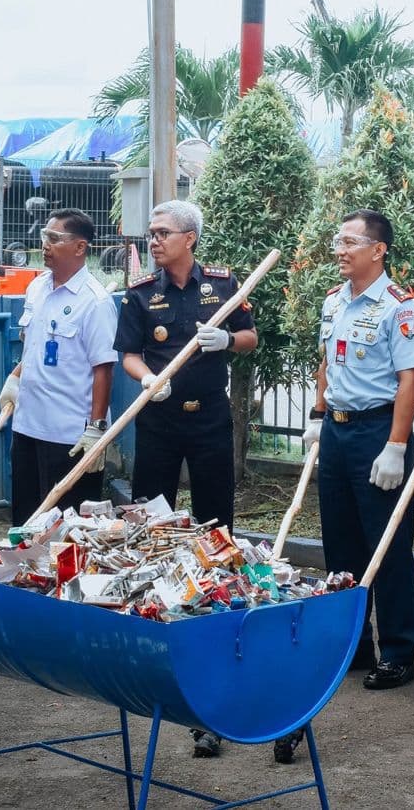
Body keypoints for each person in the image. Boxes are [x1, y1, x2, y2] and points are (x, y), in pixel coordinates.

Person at [115, 198, 258, 758]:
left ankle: (212, 611)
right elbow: (126, 353)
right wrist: (149, 378)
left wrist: (228, 341)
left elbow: (249, 337)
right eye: (150, 233)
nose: (153, 241)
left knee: (214, 520)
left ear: (190, 238)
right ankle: (151, 610)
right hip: (159, 420)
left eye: (163, 233)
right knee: (153, 518)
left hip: (210, 421)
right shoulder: (139, 291)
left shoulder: (224, 287)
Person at [306, 209, 414, 691]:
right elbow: (325, 361)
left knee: (388, 545)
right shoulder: (334, 301)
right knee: (341, 543)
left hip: (378, 433)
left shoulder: (400, 307)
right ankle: (353, 644)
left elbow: (410, 379)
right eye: (339, 240)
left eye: (350, 241)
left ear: (378, 250)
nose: (340, 249)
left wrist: (396, 446)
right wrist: (318, 416)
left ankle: (399, 652)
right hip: (336, 432)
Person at [0, 208, 119, 523]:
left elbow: (103, 368)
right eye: (44, 237)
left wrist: (96, 430)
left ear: (80, 247)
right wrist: (15, 378)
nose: (45, 245)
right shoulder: (37, 287)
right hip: (28, 424)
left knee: (68, 527)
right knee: (25, 518)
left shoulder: (95, 302)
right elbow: (34, 344)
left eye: (54, 238)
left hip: (70, 435)